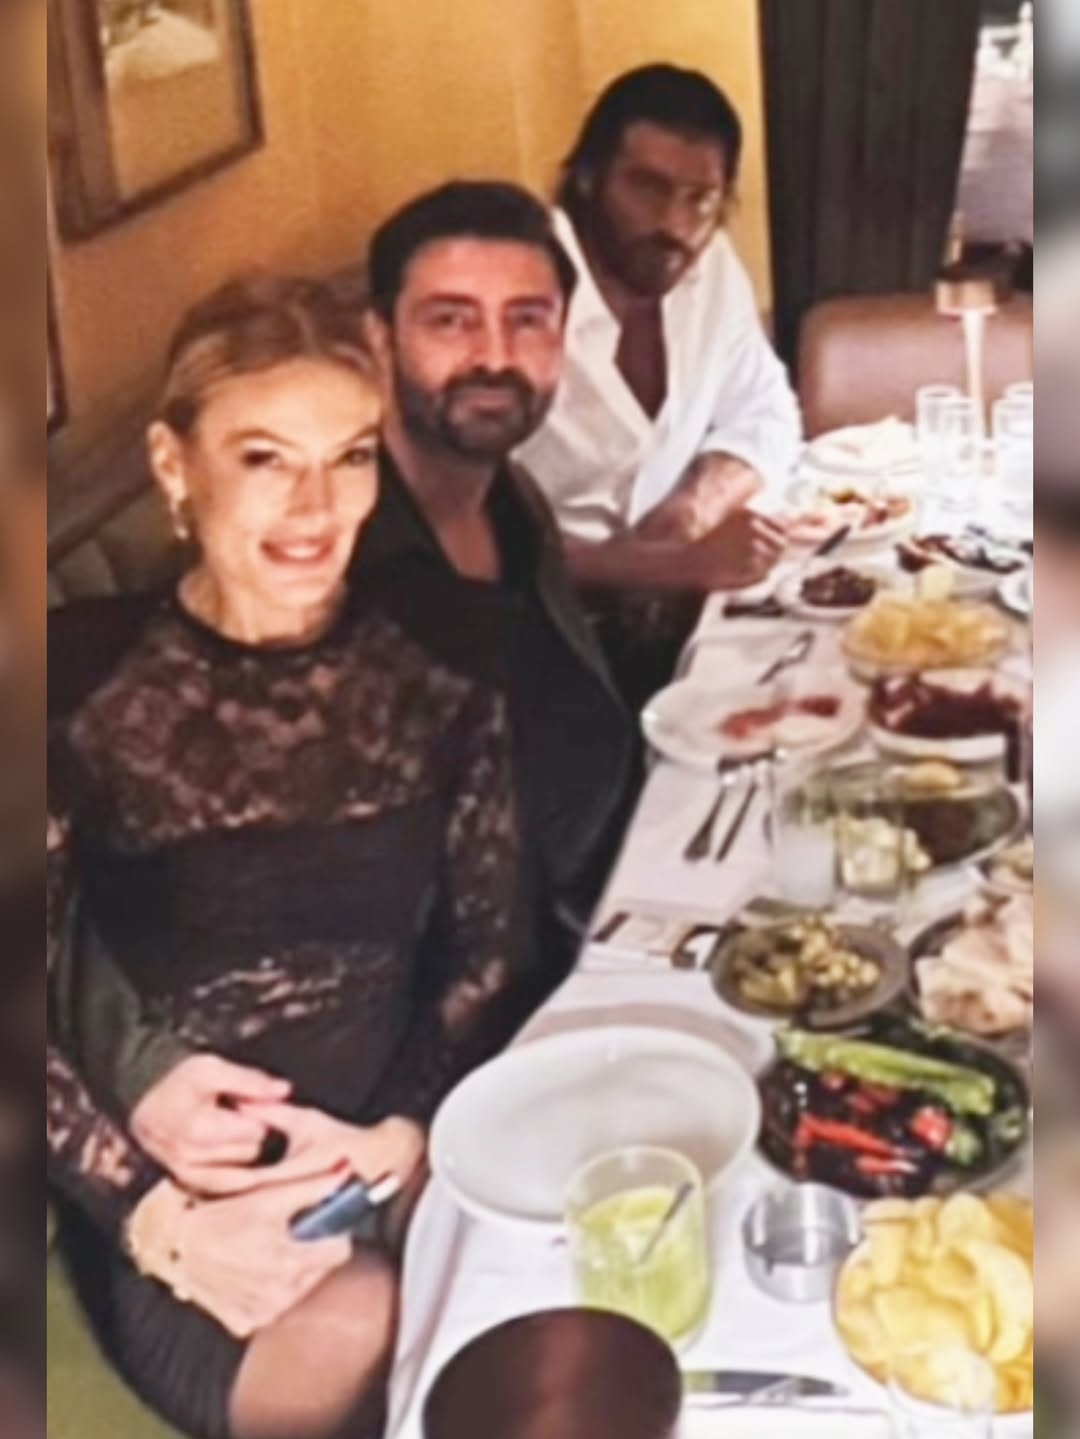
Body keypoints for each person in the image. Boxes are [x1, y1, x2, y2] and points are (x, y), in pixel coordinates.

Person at [47, 275, 548, 1439]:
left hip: (400, 1139)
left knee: (564, 1289)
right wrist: (156, 1217)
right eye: (266, 457)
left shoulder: (442, 664)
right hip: (181, 1202)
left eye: (351, 456)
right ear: (175, 465)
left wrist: (403, 1136)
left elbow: (490, 949)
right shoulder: (77, 686)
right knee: (387, 1328)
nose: (317, 506)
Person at [515, 64, 801, 703]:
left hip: (684, 616)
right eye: (648, 188)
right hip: (548, 644)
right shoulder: (515, 295)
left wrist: (692, 507)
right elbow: (468, 541)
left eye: (701, 198)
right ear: (588, 177)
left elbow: (766, 410)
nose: (674, 223)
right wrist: (655, 566)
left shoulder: (708, 265)